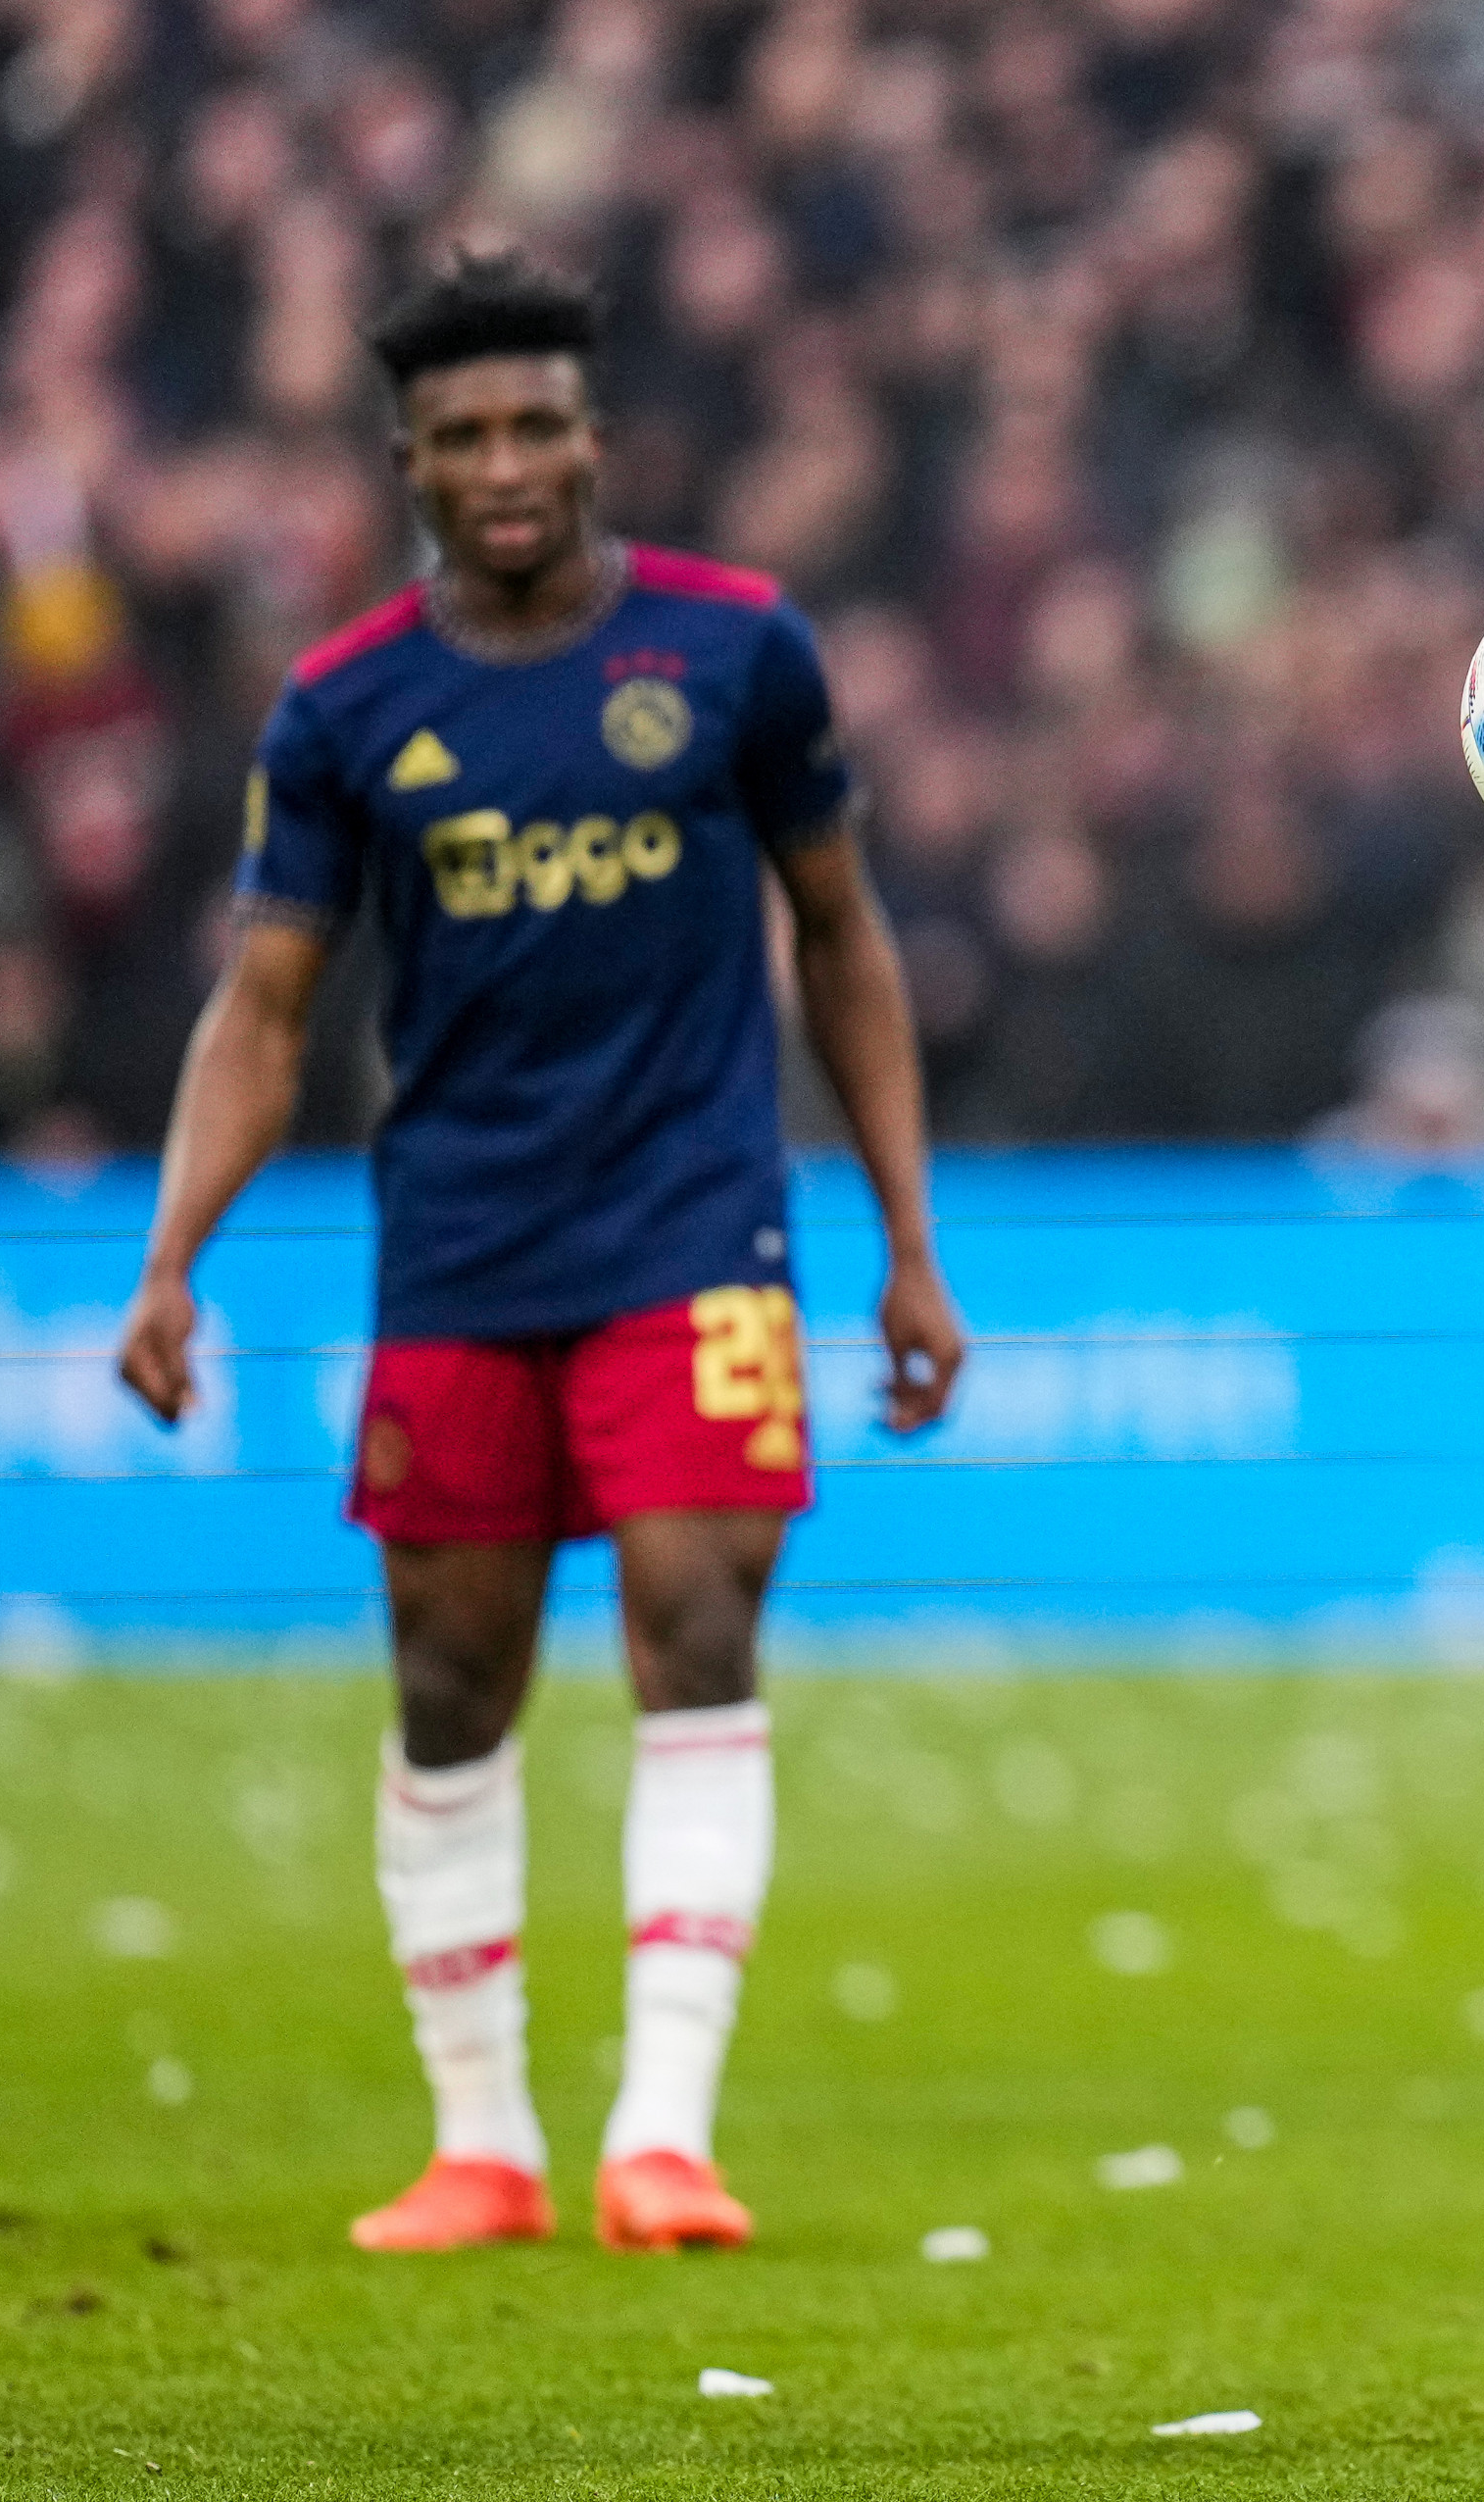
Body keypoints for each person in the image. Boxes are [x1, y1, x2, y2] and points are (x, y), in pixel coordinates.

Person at [112, 255, 965, 2255]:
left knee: (696, 1618)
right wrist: (171, 1256)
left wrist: (907, 1238)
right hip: (464, 1241)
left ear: (596, 438)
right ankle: (481, 2140)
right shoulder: (344, 708)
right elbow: (265, 1002)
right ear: (410, 462)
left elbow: (841, 936)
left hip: (697, 1224)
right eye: (461, 435)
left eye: (535, 425)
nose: (504, 463)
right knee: (448, 1670)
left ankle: (662, 2130)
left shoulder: (740, 652)